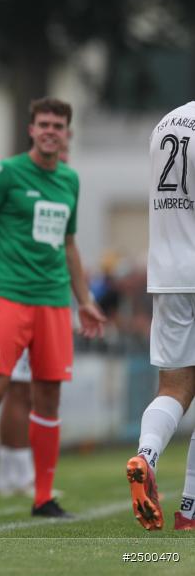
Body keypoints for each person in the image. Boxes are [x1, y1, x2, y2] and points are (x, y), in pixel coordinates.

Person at [0, 97, 105, 520]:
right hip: (10, 296)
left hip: (53, 302)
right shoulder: (6, 173)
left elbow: (69, 244)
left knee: (48, 397)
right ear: (31, 130)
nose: (51, 130)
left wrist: (85, 300)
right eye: (44, 124)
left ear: (66, 133)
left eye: (58, 125)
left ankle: (43, 497)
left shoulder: (70, 179)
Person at [126, 101, 195, 531]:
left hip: (168, 272)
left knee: (172, 386)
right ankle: (190, 509)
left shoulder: (167, 121)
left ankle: (147, 454)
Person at [0, 132, 72, 498]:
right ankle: (15, 470)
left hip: (43, 298)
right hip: (23, 297)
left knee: (24, 390)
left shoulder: (62, 185)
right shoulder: (24, 182)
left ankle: (13, 470)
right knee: (19, 389)